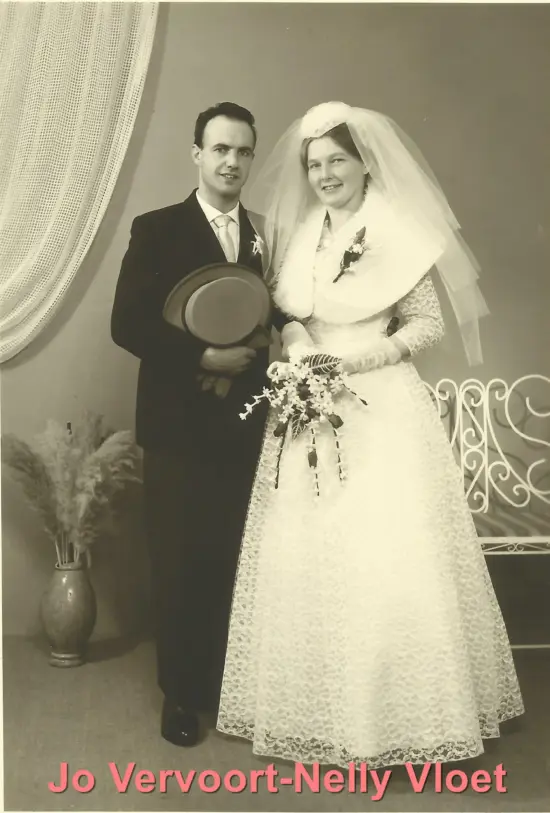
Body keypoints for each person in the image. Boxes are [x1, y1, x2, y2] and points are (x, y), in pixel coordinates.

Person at [216, 102, 524, 768]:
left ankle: (399, 716)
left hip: (379, 402)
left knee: (387, 552)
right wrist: (300, 344)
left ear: (364, 164)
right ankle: (315, 709)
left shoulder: (397, 231)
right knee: (307, 546)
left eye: (337, 161)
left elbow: (425, 325)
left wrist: (356, 361)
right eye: (314, 165)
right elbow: (288, 311)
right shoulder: (304, 233)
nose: (325, 174)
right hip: (309, 399)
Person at [111, 102, 286, 747]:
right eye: (220, 149)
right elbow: (127, 324)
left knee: (234, 557)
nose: (231, 162)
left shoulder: (266, 236)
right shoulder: (157, 228)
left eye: (243, 151)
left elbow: (276, 314)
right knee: (180, 559)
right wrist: (202, 356)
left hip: (246, 420)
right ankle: (181, 695)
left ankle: (226, 687)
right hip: (178, 428)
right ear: (197, 154)